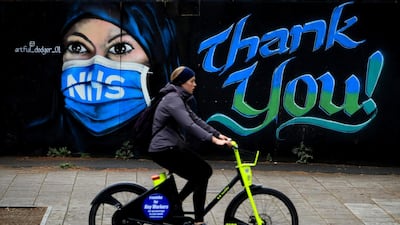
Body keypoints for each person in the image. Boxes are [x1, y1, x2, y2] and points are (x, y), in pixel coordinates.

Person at [24, 1, 180, 154]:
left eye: (119, 48)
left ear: (155, 51)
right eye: (77, 47)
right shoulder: (35, 135)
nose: (97, 68)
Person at [149, 66, 232, 225]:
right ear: (182, 83)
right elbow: (188, 125)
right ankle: (194, 219)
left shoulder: (179, 98)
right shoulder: (173, 99)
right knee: (203, 172)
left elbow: (196, 120)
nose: (195, 84)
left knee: (202, 173)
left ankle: (178, 205)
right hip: (164, 149)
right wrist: (213, 140)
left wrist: (218, 134)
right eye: (191, 81)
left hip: (170, 147)